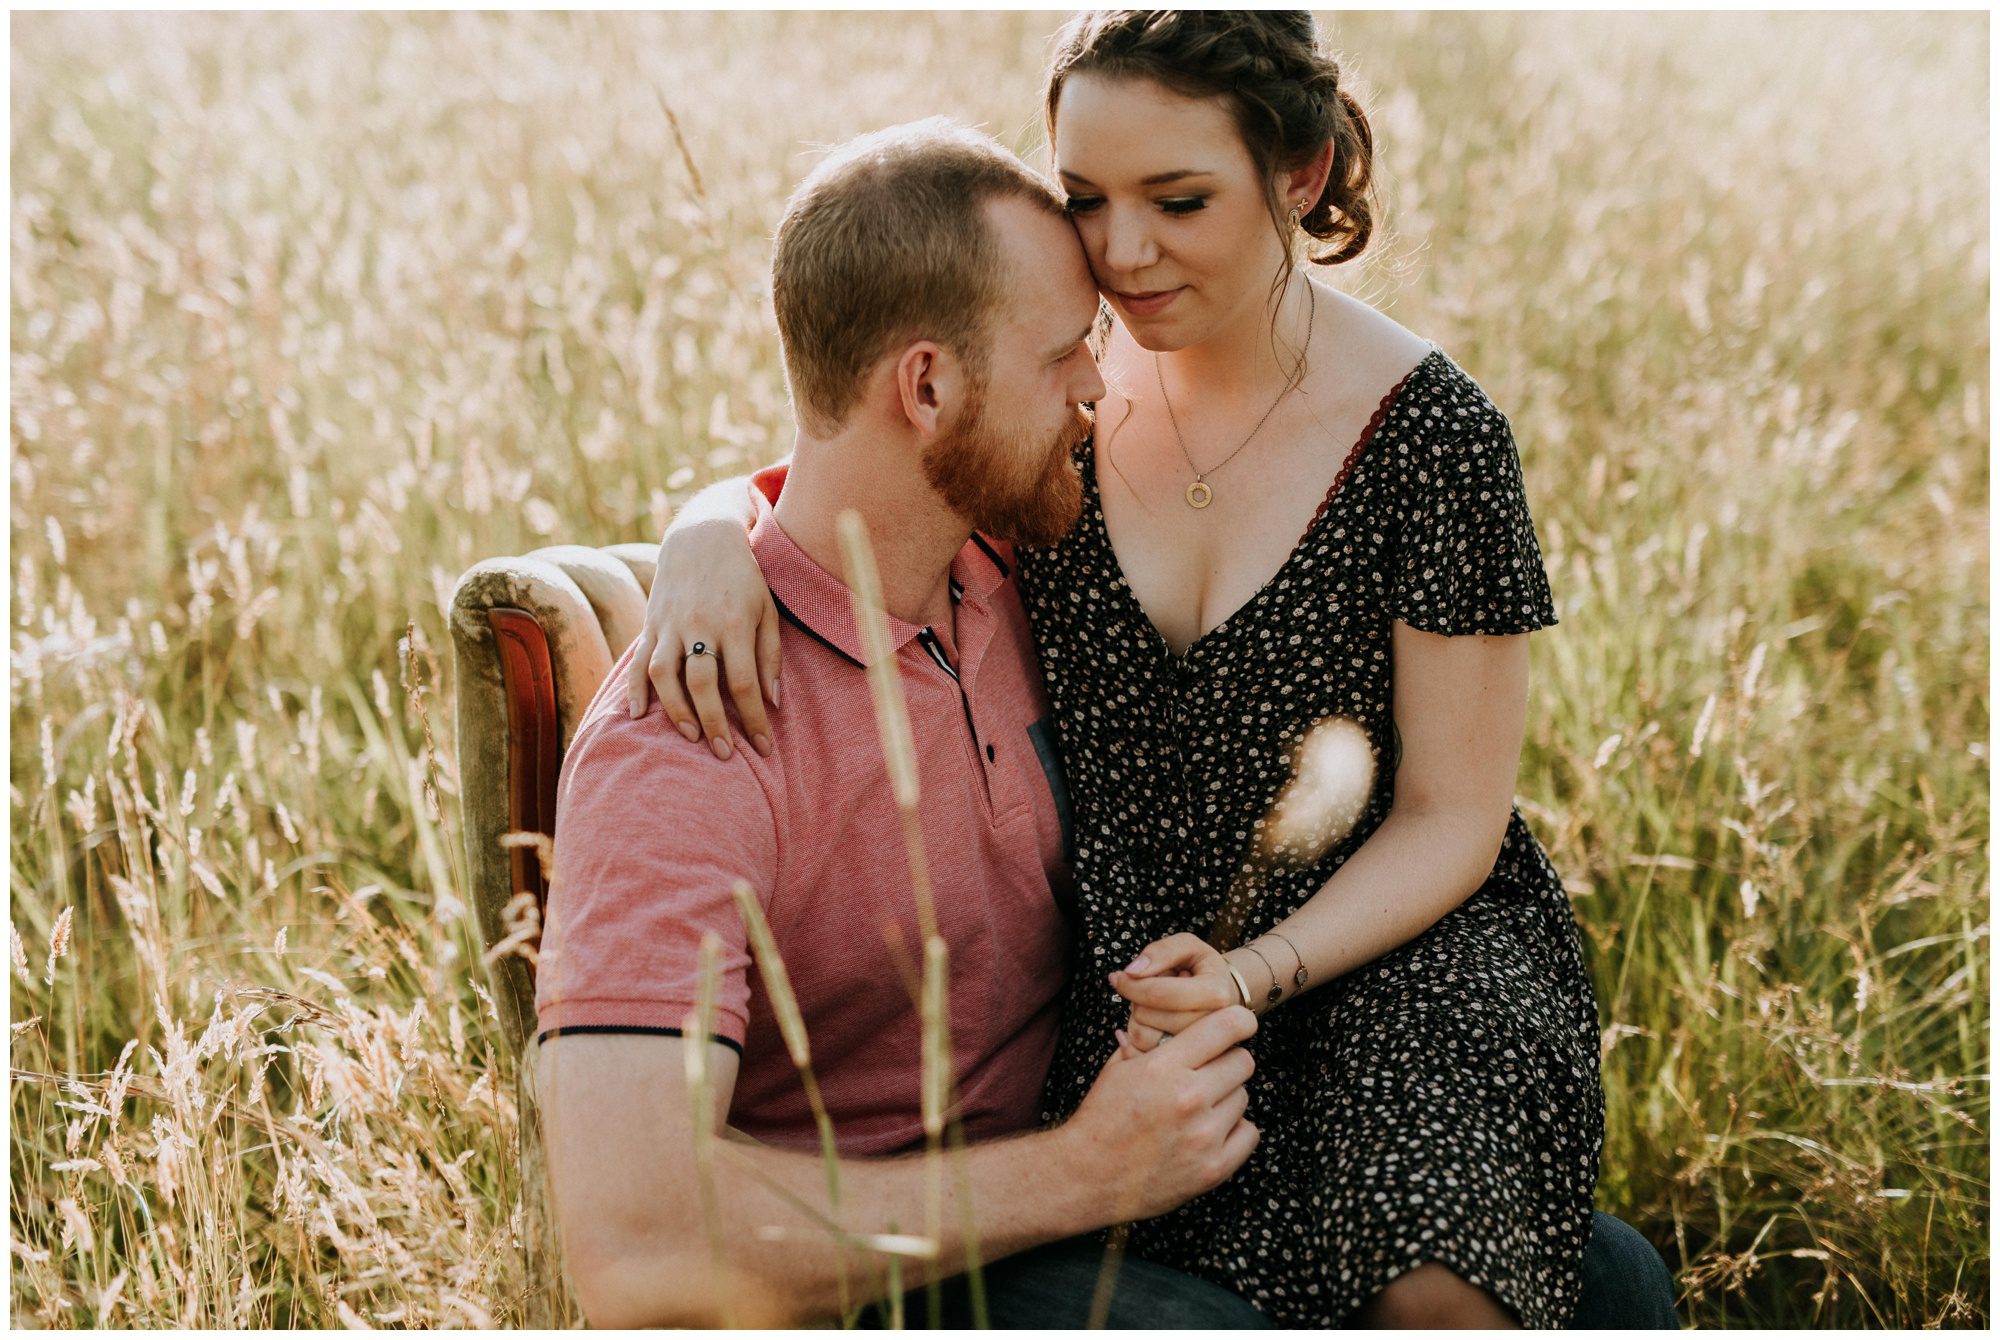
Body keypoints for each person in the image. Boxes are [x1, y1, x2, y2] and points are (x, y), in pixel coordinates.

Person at [628, 10, 1679, 1330]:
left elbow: (1455, 819)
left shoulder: (1437, 439)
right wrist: (707, 525)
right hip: (1138, 971)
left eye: (1178, 200)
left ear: (1295, 175)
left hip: (1392, 953)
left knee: (1441, 1293)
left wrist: (1256, 972)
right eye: (1086, 200)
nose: (1122, 253)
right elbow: (877, 441)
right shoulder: (1057, 382)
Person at [533, 118, 1277, 1330]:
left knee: (1598, 1271)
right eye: (1061, 356)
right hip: (887, 1278)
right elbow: (634, 1241)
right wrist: (1084, 1170)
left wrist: (712, 514)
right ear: (926, 386)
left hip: (1128, 1171)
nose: (1099, 384)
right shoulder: (686, 737)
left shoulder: (1025, 562)